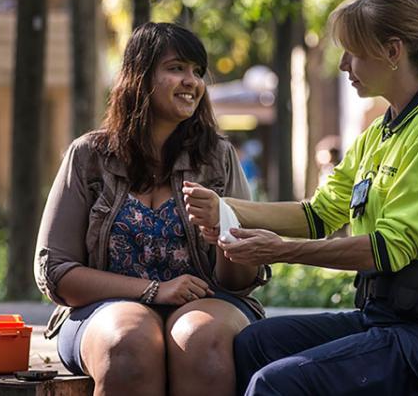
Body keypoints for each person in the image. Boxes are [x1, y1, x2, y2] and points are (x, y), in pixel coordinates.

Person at [183, 0, 418, 396]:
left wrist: (278, 250)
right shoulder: (381, 131)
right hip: (385, 318)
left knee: (275, 384)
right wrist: (228, 208)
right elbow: (319, 214)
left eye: (352, 52)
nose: (342, 65)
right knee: (252, 343)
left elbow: (387, 250)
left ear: (393, 51)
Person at [34, 22, 268, 396]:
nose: (191, 80)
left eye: (197, 71)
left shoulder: (217, 157)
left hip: (209, 304)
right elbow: (57, 273)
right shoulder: (88, 157)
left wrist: (224, 236)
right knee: (128, 341)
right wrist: (154, 290)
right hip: (103, 309)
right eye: (177, 68)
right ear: (139, 78)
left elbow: (240, 282)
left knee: (201, 341)